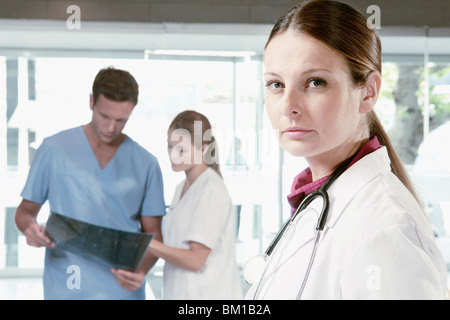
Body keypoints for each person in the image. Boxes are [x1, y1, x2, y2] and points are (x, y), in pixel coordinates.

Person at [246, 0, 448, 299]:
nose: (288, 106)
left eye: (315, 82)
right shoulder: (317, 201)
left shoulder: (385, 231)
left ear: (368, 92)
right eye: (276, 84)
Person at [15, 67, 166, 300]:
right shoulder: (54, 149)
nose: (110, 128)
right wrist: (30, 228)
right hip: (66, 287)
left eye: (121, 120)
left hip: (121, 291)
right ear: (91, 101)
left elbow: (154, 236)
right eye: (104, 116)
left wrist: (142, 270)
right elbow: (25, 212)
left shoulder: (147, 164)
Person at [148, 110, 242, 299]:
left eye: (181, 149)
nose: (173, 155)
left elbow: (195, 260)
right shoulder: (180, 188)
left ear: (203, 149)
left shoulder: (211, 191)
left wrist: (145, 244)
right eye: (170, 146)